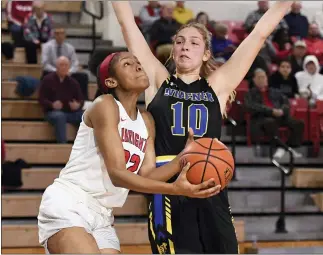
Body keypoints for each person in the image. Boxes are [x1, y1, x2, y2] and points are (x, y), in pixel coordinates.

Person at [112, 1, 293, 254]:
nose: (185, 45)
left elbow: (258, 35)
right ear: (173, 51)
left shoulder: (217, 86)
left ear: (207, 53)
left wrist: (284, 4)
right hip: (167, 184)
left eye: (194, 42)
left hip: (210, 182)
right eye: (179, 41)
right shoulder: (157, 80)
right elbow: (126, 23)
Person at [37, 51, 220, 254]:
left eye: (138, 62)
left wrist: (182, 159)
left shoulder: (147, 121)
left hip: (104, 214)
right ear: (111, 81)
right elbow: (117, 174)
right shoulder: (105, 105)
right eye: (127, 64)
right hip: (69, 201)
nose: (138, 66)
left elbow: (147, 175)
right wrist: (176, 189)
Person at [245, 68, 304, 159]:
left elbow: (286, 103)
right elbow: (250, 106)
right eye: (259, 77)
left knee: (299, 123)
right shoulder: (250, 93)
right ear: (254, 80)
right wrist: (271, 111)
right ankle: (284, 148)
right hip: (261, 118)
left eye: (264, 77)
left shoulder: (275, 91)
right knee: (271, 122)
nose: (262, 79)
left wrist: (281, 111)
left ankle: (284, 147)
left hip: (279, 116)